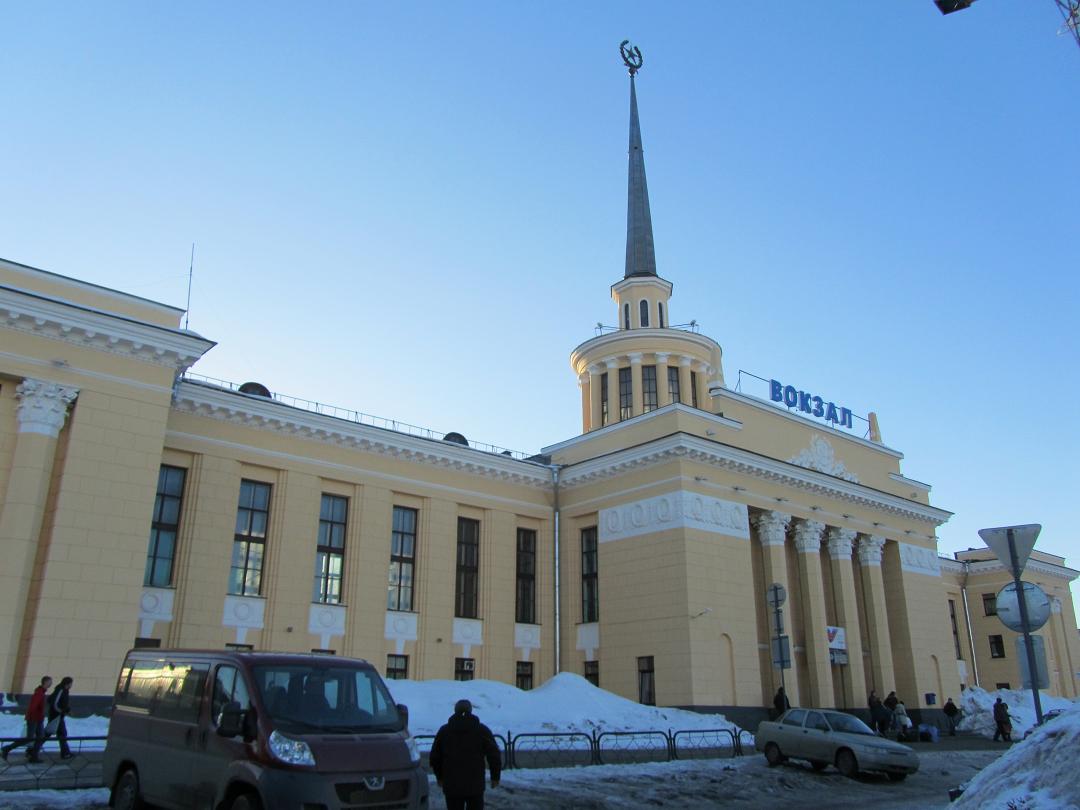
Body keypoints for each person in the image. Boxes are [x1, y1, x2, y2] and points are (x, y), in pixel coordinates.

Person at [429, 699, 501, 810]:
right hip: (475, 785)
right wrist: (495, 777)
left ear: (455, 711)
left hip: (451, 785)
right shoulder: (481, 730)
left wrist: (439, 777)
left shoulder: (445, 731)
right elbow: (494, 755)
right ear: (471, 711)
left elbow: (435, 757)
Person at [1, 675, 52, 763]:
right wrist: (32, 718)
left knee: (40, 737)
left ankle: (33, 756)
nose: (51, 684)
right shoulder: (39, 693)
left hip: (38, 719)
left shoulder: (41, 692)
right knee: (29, 738)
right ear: (45, 682)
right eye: (49, 682)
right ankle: (6, 749)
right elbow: (33, 707)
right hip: (34, 719)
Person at [35, 676, 74, 760]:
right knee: (55, 733)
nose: (71, 685)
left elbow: (62, 703)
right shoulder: (60, 690)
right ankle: (33, 750)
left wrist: (67, 710)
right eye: (71, 683)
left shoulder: (65, 691)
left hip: (58, 716)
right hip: (56, 716)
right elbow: (54, 703)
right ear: (68, 683)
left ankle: (65, 752)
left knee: (58, 734)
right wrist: (62, 711)